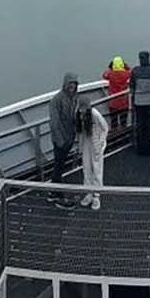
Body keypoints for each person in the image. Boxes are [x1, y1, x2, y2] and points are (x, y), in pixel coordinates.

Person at [46, 73, 81, 204]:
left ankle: (54, 191)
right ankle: (56, 193)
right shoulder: (57, 100)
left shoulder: (74, 98)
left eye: (74, 84)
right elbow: (54, 122)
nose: (72, 87)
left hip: (69, 138)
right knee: (58, 166)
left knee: (60, 166)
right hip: (61, 140)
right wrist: (60, 141)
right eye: (70, 84)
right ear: (65, 84)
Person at [78, 103, 109, 210]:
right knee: (86, 168)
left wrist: (100, 142)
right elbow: (81, 132)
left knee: (97, 169)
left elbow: (105, 127)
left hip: (96, 143)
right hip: (87, 142)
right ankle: (89, 192)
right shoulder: (79, 114)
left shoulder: (95, 114)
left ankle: (96, 195)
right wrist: (80, 147)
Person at [130, 50, 150, 157]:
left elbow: (132, 88)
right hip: (149, 101)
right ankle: (147, 149)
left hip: (138, 102)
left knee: (139, 125)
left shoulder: (135, 71)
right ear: (148, 58)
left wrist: (132, 102)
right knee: (148, 126)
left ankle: (140, 149)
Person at [103, 56, 132, 138]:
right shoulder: (126, 74)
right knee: (123, 123)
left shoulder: (111, 74)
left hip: (113, 103)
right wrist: (126, 66)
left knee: (114, 123)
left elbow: (104, 75)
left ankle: (115, 139)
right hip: (123, 102)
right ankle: (124, 138)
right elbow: (131, 72)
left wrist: (109, 67)